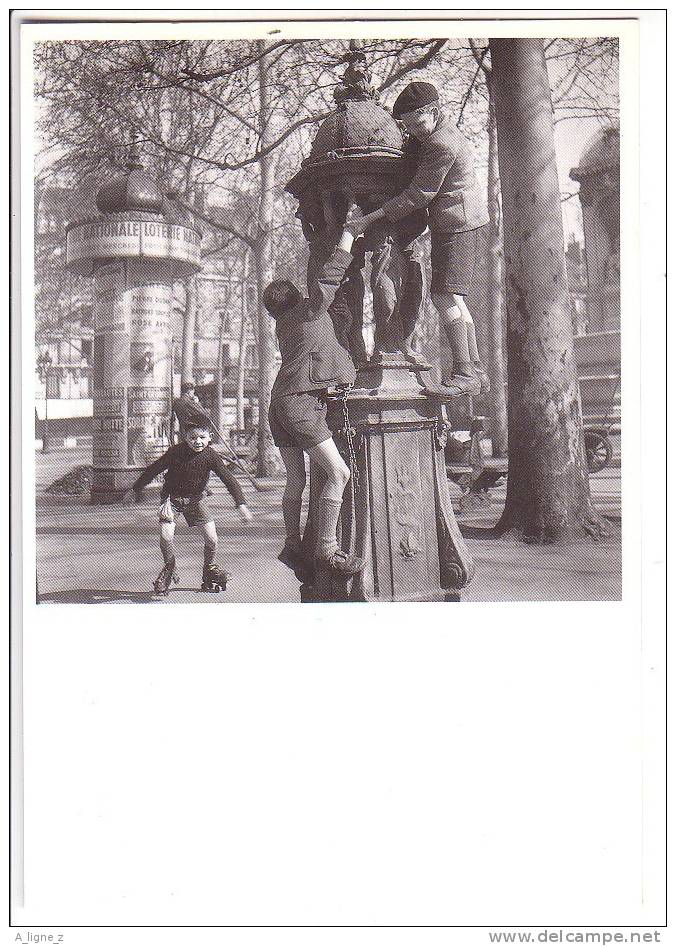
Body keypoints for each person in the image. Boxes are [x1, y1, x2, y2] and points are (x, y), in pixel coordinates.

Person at [351, 80, 490, 396]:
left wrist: (369, 218)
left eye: (417, 123)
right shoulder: (434, 132)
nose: (413, 131)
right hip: (460, 221)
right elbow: (415, 148)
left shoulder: (442, 144)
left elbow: (419, 194)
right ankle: (476, 370)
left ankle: (465, 372)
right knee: (453, 298)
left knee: (444, 297)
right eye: (407, 125)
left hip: (458, 224)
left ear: (435, 111)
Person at [264, 212, 366, 580]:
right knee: (338, 473)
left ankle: (292, 545)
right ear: (298, 297)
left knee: (296, 479)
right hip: (301, 403)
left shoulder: (284, 324)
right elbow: (332, 273)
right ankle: (327, 552)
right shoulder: (309, 311)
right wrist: (349, 233)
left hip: (280, 403)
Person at [123, 421, 253, 594]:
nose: (197, 441)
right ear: (185, 438)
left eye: (202, 437)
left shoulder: (211, 456)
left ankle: (209, 570)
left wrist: (241, 504)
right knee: (166, 535)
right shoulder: (175, 452)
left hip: (196, 501)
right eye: (192, 438)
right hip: (172, 499)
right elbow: (153, 470)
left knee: (212, 539)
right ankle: (169, 569)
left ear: (210, 438)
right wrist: (134, 490)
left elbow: (229, 480)